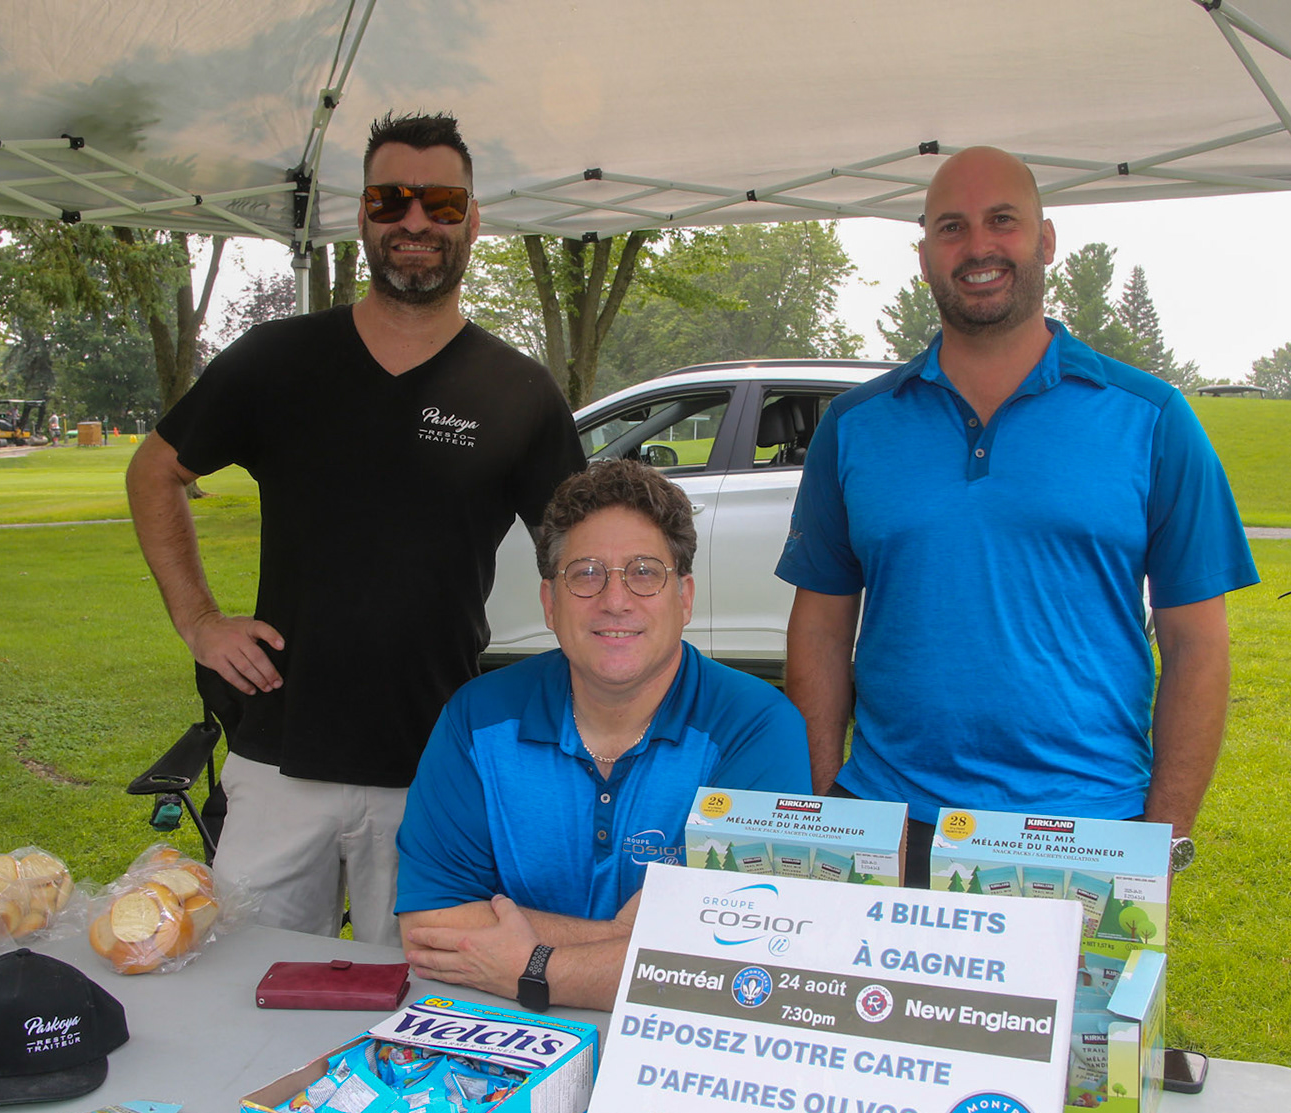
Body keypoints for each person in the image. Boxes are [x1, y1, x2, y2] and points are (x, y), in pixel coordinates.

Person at [127, 113, 583, 944]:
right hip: (278, 754)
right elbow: (155, 470)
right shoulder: (276, 359)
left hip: (436, 763)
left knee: (422, 993)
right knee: (247, 986)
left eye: (442, 203)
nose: (416, 221)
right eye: (390, 199)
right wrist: (198, 620)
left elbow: (583, 551)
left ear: (473, 221)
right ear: (362, 215)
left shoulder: (517, 391)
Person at [777, 146, 1258, 881]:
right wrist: (823, 806)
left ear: (1046, 239)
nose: (978, 247)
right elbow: (820, 626)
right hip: (891, 822)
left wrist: (1164, 837)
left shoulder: (1153, 419)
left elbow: (1198, 645)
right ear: (923, 256)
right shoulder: (854, 427)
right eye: (951, 227)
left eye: (1002, 220)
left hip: (1085, 832)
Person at [396, 461, 812, 1010]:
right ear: (550, 603)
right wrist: (635, 940)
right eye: (586, 573)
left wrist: (532, 967)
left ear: (684, 598)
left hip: (676, 1040)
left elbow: (748, 955)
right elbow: (431, 926)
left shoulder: (756, 727)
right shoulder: (477, 718)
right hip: (498, 1030)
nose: (615, 600)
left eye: (644, 572)